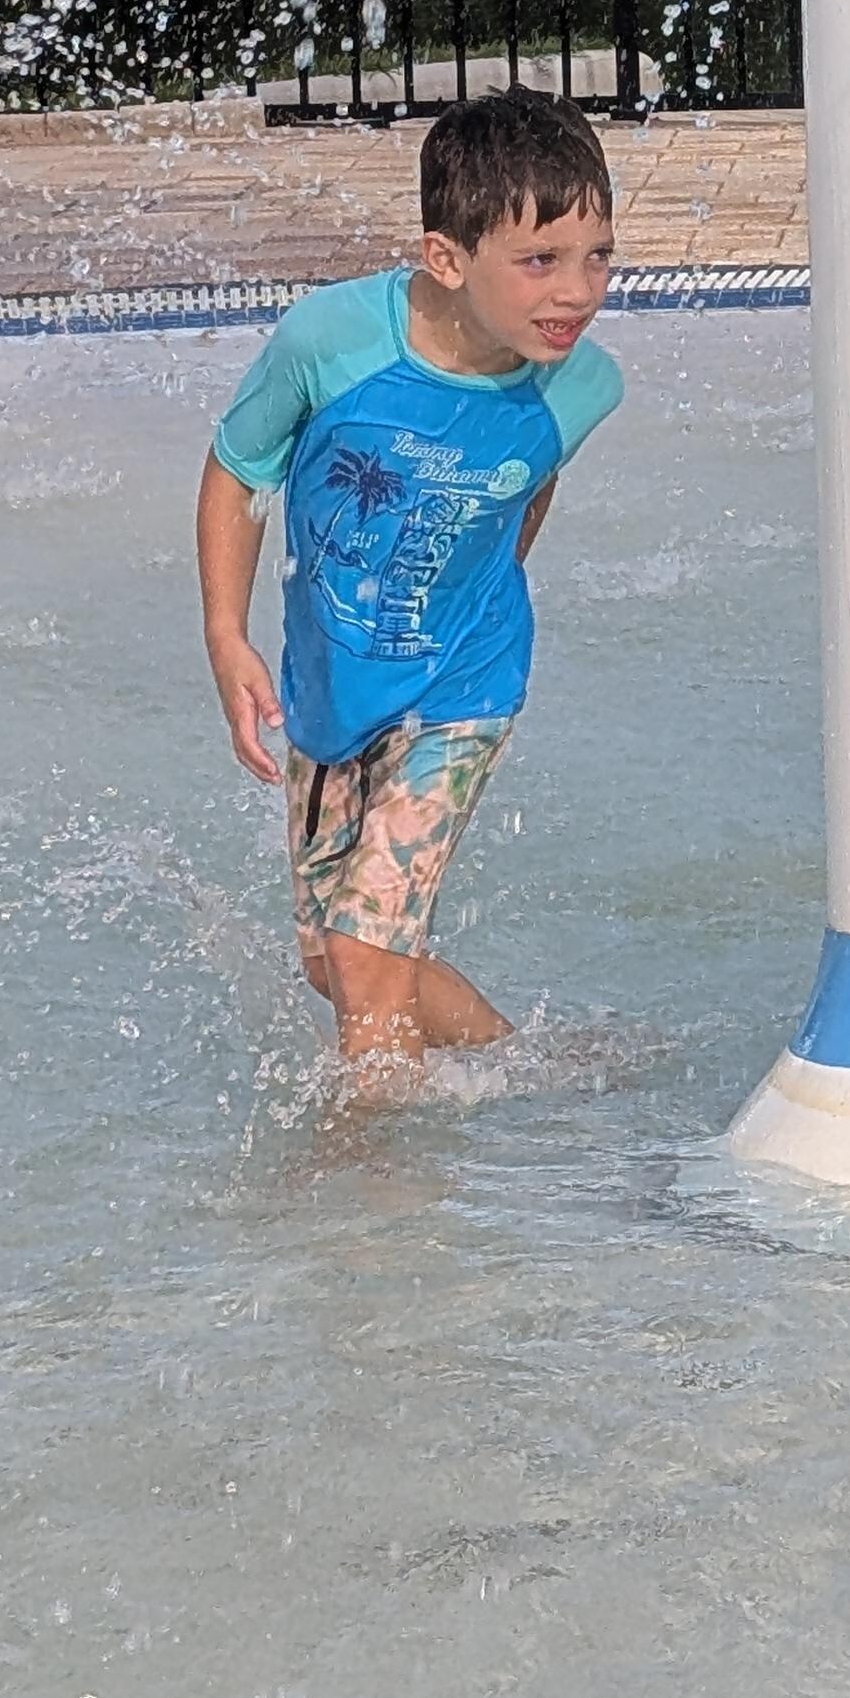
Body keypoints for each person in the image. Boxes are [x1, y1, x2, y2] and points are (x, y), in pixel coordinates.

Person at [195, 86, 622, 1096]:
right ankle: (534, 1068)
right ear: (446, 258)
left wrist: (474, 592)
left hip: (464, 690)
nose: (578, 291)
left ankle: (374, 1169)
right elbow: (239, 470)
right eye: (541, 261)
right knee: (331, 963)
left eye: (599, 256)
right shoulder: (331, 343)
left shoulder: (581, 386)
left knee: (364, 954)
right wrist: (226, 633)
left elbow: (528, 483)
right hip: (331, 688)